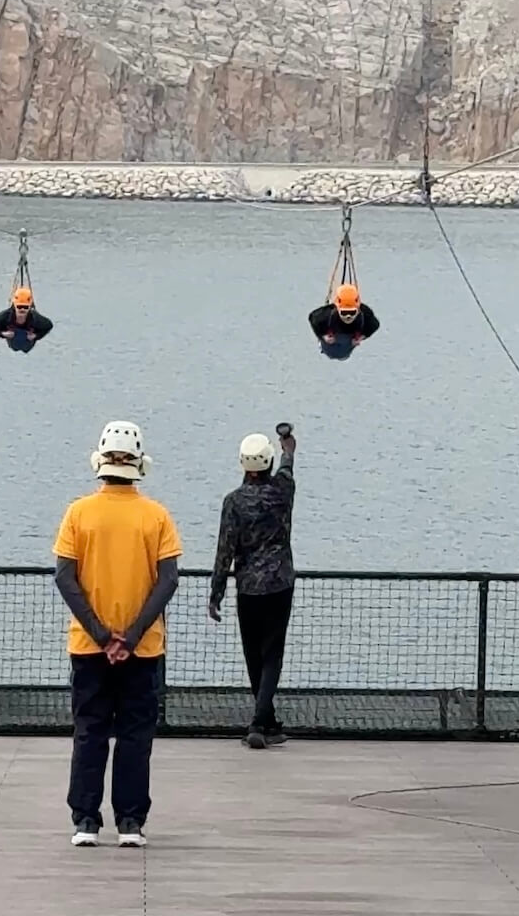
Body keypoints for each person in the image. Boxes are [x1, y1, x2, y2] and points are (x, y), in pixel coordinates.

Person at [53, 420, 183, 849]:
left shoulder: (78, 512)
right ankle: (130, 821)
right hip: (142, 649)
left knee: (89, 731)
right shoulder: (156, 516)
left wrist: (100, 634)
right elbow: (167, 580)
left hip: (88, 648)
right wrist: (129, 637)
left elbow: (66, 578)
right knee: (135, 735)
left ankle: (85, 821)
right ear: (139, 465)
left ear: (100, 462)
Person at [209, 425, 297, 750]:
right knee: (272, 653)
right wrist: (287, 447)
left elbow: (224, 550)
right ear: (268, 463)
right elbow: (287, 465)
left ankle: (262, 721)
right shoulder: (283, 492)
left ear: (243, 465)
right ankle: (264, 721)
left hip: (247, 587)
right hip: (280, 583)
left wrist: (216, 592)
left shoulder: (233, 503)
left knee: (253, 654)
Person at [307, 283, 379, 360]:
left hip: (346, 347)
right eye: (344, 313)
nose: (348, 317)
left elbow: (375, 325)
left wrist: (362, 337)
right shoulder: (326, 315)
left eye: (352, 313)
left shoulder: (364, 313)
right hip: (328, 346)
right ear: (337, 308)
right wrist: (323, 335)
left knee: (343, 354)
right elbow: (312, 319)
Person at [0, 287, 53, 353]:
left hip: (27, 343)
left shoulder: (35, 318)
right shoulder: (6, 316)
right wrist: (3, 334)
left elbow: (48, 326)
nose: (22, 310)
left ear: (29, 307)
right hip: (13, 341)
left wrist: (36, 335)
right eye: (19, 307)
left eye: (25, 307)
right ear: (14, 306)